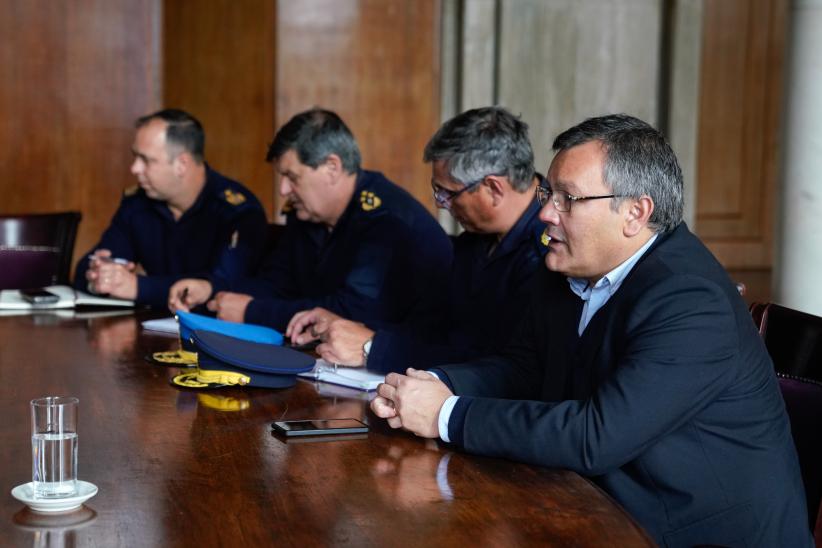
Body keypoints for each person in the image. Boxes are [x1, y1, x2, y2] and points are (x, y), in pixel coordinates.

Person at [370, 114, 812, 547]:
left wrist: (446, 415)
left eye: (568, 199)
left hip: (687, 530)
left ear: (635, 213)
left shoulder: (692, 301)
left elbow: (596, 437)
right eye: (549, 192)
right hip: (592, 505)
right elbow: (524, 369)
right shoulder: (565, 265)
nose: (545, 213)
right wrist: (435, 383)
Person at [286, 106, 548, 372]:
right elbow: (435, 326)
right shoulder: (478, 237)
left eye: (447, 193)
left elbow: (496, 365)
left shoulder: (550, 250)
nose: (442, 205)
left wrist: (372, 347)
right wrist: (354, 330)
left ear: (493, 188)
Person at [168, 108, 452, 333]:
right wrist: (213, 291)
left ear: (332, 167)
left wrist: (251, 311)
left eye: (292, 177)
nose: (283, 190)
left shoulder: (386, 219)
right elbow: (277, 283)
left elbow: (350, 313)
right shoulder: (307, 213)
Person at [75, 109, 267, 308]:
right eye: (135, 157)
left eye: (146, 160)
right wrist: (100, 276)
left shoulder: (236, 211)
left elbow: (224, 287)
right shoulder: (138, 203)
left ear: (181, 164)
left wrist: (138, 287)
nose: (134, 169)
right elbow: (85, 269)